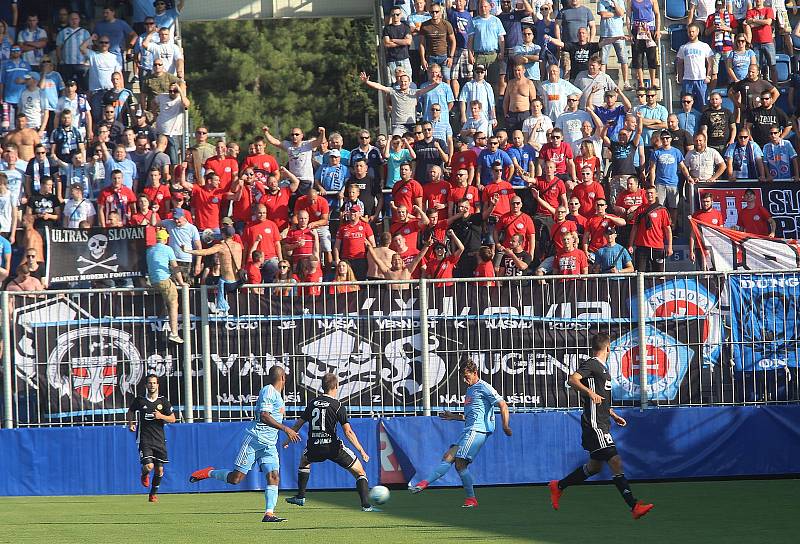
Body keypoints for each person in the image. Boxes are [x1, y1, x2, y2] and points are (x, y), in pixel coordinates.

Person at [549, 333, 654, 519]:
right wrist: (589, 392)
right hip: (594, 424)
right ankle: (634, 506)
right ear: (608, 348)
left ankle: (559, 486)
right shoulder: (593, 364)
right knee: (615, 460)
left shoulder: (603, 369)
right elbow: (572, 379)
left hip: (603, 421)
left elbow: (601, 398)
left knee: (595, 467)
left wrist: (613, 414)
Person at [189, 366, 301, 523]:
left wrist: (284, 436)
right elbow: (264, 415)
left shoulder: (278, 397)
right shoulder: (268, 390)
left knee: (274, 476)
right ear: (283, 378)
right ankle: (210, 472)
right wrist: (285, 429)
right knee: (236, 479)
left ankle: (269, 513)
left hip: (269, 445)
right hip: (254, 440)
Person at [409, 358, 511, 508]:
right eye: (463, 377)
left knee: (459, 463)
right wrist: (454, 417)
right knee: (448, 457)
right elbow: (471, 416)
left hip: (477, 431)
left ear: (475, 372)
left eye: (466, 376)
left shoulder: (484, 387)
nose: (464, 380)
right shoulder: (470, 390)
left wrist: (505, 425)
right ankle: (424, 484)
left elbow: (503, 404)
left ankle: (469, 498)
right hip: (468, 430)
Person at [283, 372, 377, 511]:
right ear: (336, 386)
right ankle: (366, 505)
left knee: (304, 460)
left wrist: (287, 439)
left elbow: (298, 424)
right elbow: (348, 432)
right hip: (333, 448)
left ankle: (300, 496)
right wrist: (361, 450)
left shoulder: (312, 403)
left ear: (322, 387)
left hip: (314, 446)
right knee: (360, 472)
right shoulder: (337, 406)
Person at [127, 374, 176, 503]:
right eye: (149, 383)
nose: (152, 385)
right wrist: (131, 423)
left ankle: (153, 494)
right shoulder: (140, 400)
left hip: (159, 440)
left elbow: (173, 418)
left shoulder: (163, 401)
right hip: (144, 439)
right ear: (146, 385)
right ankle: (144, 474)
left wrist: (161, 416)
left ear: (157, 385)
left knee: (160, 470)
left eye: (154, 383)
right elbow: (131, 411)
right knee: (149, 466)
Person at [146, 228, 186, 343]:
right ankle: (174, 332)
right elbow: (175, 267)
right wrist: (181, 282)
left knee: (167, 302)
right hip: (163, 280)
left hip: (153, 281)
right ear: (165, 239)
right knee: (174, 304)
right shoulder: (168, 249)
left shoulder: (150, 250)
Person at [628, 186, 672, 272]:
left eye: (652, 193)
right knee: (640, 274)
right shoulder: (640, 209)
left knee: (659, 274)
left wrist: (670, 246)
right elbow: (634, 228)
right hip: (642, 246)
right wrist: (630, 244)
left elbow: (668, 230)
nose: (650, 195)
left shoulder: (662, 210)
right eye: (647, 193)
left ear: (656, 194)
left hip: (657, 246)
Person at [676, 23, 713, 108]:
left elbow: (710, 62)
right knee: (687, 105)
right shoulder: (683, 47)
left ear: (697, 32)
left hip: (701, 79)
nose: (691, 33)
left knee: (703, 104)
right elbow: (679, 63)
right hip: (687, 80)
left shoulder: (704, 46)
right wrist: (680, 77)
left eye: (693, 31)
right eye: (689, 32)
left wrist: (708, 76)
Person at [689, 192, 725, 267]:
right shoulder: (696, 215)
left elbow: (721, 232)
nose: (705, 204)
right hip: (700, 248)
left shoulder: (717, 214)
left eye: (707, 201)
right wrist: (691, 251)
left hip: (714, 248)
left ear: (712, 201)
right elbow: (693, 234)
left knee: (716, 271)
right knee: (703, 273)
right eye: (703, 202)